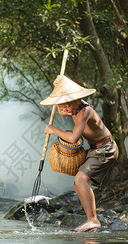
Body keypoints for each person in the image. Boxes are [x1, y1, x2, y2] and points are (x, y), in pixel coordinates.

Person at [41, 75, 119, 232]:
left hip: (105, 148)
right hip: (95, 148)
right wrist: (59, 87)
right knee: (78, 184)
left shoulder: (84, 111)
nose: (64, 111)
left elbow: (73, 137)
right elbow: (63, 111)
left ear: (75, 101)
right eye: (61, 106)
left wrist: (53, 129)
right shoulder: (72, 108)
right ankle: (91, 217)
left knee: (80, 180)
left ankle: (93, 220)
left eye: (66, 106)